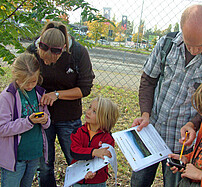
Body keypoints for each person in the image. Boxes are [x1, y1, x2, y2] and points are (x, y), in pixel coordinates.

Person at [131, 4, 202, 187]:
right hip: (151, 131)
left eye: (199, 46)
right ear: (181, 29)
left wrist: (193, 124)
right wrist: (145, 113)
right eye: (188, 44)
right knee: (139, 182)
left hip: (184, 146)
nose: (193, 51)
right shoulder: (166, 44)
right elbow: (148, 79)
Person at [26, 21, 95, 187]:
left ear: (63, 48)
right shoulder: (32, 51)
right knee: (44, 165)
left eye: (52, 60)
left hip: (68, 116)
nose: (48, 63)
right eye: (44, 60)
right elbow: (24, 80)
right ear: (40, 47)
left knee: (76, 160)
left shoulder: (78, 53)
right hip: (42, 116)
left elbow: (85, 88)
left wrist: (57, 95)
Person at [0, 53, 50, 187]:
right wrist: (28, 121)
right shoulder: (7, 97)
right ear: (16, 76)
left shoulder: (40, 93)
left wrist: (45, 120)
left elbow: (47, 121)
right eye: (25, 82)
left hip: (34, 154)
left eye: (33, 81)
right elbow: (2, 128)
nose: (29, 86)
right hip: (15, 159)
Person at [70, 96, 119, 186]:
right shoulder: (79, 131)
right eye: (89, 107)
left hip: (97, 181)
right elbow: (74, 151)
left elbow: (105, 159)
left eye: (94, 112)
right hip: (78, 177)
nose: (88, 112)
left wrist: (94, 172)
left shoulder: (107, 138)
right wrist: (94, 152)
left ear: (104, 117)